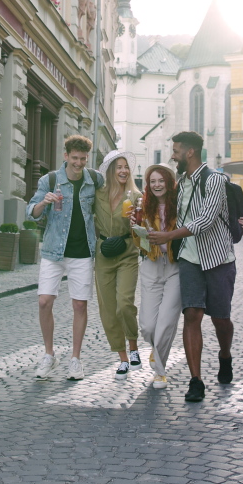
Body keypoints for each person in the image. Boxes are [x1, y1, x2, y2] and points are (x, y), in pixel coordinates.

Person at [148, 131, 236, 403]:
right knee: (192, 316)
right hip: (189, 259)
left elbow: (206, 220)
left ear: (190, 152)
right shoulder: (181, 183)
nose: (172, 155)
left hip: (218, 259)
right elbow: (166, 206)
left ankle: (225, 355)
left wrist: (169, 237)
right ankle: (195, 381)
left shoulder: (216, 180)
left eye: (175, 151)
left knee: (221, 319)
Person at [27, 134, 104, 381]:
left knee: (79, 304)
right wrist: (44, 203)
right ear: (65, 156)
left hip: (82, 253)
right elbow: (32, 212)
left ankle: (75, 359)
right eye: (75, 158)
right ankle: (49, 355)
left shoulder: (95, 180)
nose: (79, 163)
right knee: (44, 301)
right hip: (53, 251)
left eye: (83, 158)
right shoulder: (50, 180)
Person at [132, 163, 182, 389]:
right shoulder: (143, 206)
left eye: (161, 181)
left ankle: (159, 373)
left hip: (175, 266)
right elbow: (140, 244)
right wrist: (136, 229)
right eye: (152, 182)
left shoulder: (180, 205)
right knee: (148, 326)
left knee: (166, 322)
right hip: (151, 265)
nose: (157, 185)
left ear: (170, 183)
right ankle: (156, 350)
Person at [94, 150, 140, 378]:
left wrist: (137, 220)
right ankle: (122, 358)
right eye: (119, 167)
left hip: (127, 252)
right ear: (111, 171)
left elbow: (145, 226)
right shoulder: (97, 194)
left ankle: (133, 348)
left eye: (126, 167)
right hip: (103, 254)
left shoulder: (135, 196)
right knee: (108, 309)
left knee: (124, 303)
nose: (123, 171)